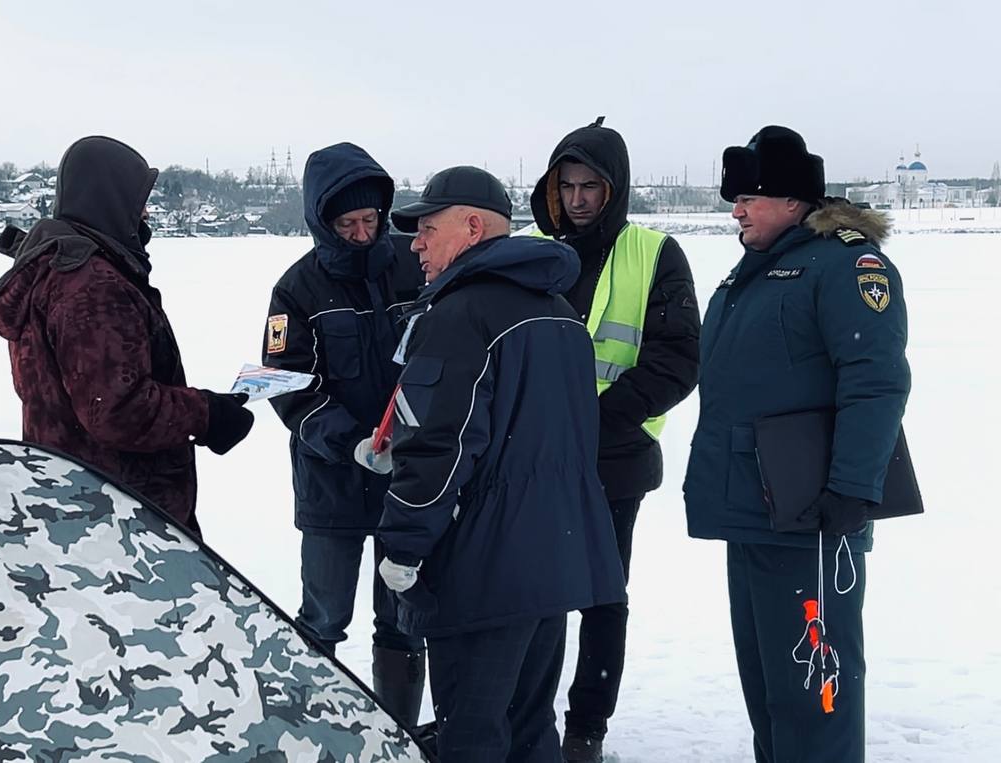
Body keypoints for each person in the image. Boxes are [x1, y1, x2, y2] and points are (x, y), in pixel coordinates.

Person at [375, 165, 627, 761]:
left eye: (427, 229)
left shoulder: (459, 316)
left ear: (471, 227)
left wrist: (403, 548)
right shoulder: (560, 313)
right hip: (554, 558)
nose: (415, 245)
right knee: (529, 728)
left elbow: (442, 448)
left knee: (473, 734)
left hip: (484, 567)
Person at [683, 125, 911, 762]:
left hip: (811, 517)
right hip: (753, 510)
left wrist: (853, 488)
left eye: (748, 199)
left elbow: (876, 380)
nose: (736, 211)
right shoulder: (757, 269)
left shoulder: (846, 266)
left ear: (792, 200)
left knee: (815, 698)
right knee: (770, 693)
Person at [528, 118, 701, 762]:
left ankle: (586, 731)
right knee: (533, 594)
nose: (576, 200)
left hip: (615, 459)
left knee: (603, 599)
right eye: (566, 186)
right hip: (532, 458)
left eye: (590, 187)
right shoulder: (529, 250)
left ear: (614, 189)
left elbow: (676, 360)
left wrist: (595, 421)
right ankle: (528, 723)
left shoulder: (654, 254)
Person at [0, 135, 253, 535]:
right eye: (139, 202)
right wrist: (207, 413)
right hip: (119, 517)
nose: (145, 214)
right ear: (109, 200)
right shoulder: (90, 285)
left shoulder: (56, 268)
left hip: (69, 500)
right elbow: (115, 411)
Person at [261, 142, 427, 724]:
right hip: (331, 484)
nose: (361, 234)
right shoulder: (296, 290)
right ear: (321, 222)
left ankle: (400, 734)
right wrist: (350, 442)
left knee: (404, 621)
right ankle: (312, 734)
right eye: (346, 224)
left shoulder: (413, 263)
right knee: (323, 618)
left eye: (369, 220)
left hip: (409, 484)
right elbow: (285, 385)